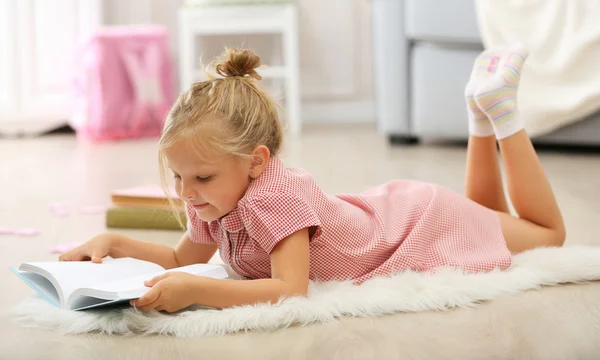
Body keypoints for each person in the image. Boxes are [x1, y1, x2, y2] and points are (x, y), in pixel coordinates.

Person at [60, 47, 566, 313]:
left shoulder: (274, 197)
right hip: (391, 210)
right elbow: (178, 259)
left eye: (201, 177)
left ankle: (500, 112)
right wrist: (114, 242)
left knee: (547, 235)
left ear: (256, 162)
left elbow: (289, 289)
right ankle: (480, 112)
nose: (186, 193)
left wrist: (197, 290)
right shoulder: (211, 197)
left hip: (414, 225)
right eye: (178, 177)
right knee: (491, 222)